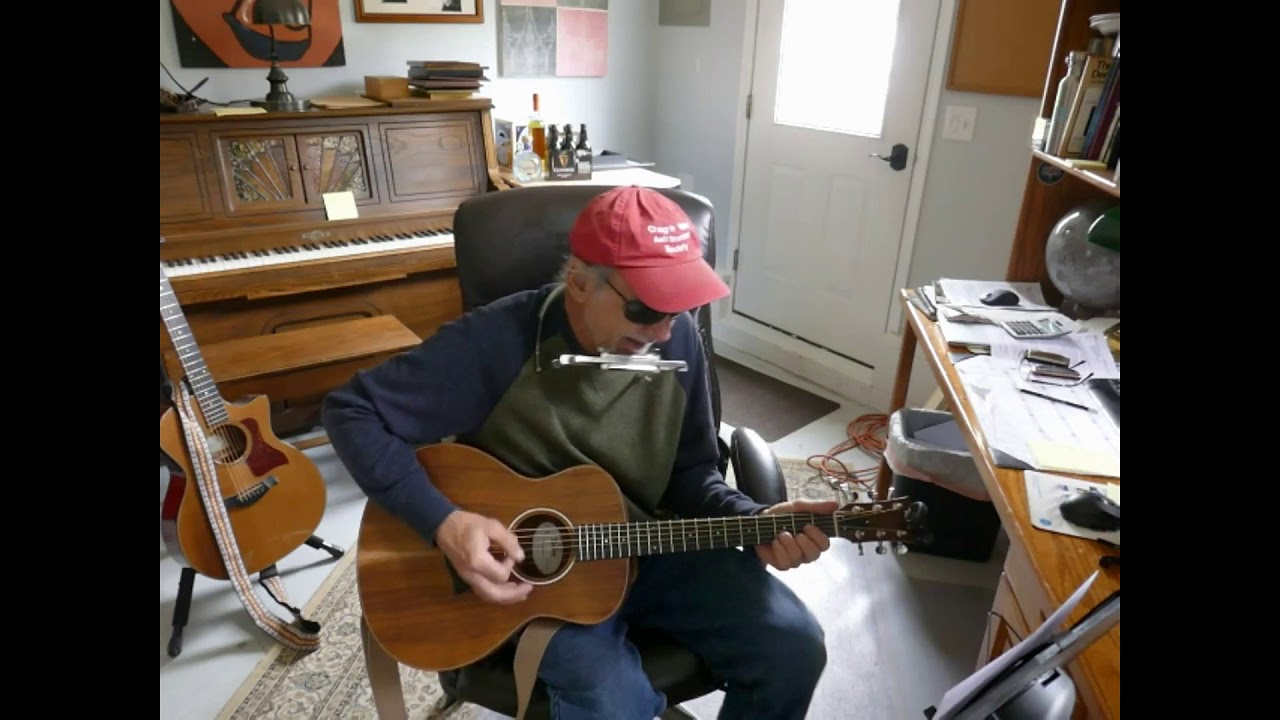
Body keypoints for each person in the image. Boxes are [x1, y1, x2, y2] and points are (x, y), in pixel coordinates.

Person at [321, 186, 835, 720]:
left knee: (794, 646)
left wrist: (751, 518)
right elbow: (351, 411)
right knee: (616, 706)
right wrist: (444, 523)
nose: (663, 331)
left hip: (651, 544)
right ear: (579, 282)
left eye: (680, 307)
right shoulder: (498, 340)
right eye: (645, 308)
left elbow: (691, 471)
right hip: (538, 576)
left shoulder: (677, 338)